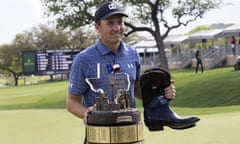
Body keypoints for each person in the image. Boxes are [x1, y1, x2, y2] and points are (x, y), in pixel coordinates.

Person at [67, 1, 177, 144]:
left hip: (131, 135)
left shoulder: (132, 54)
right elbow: (72, 102)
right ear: (97, 27)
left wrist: (161, 93)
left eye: (120, 22)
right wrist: (86, 113)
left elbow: (137, 90)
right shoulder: (83, 59)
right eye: (110, 23)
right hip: (100, 137)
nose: (117, 28)